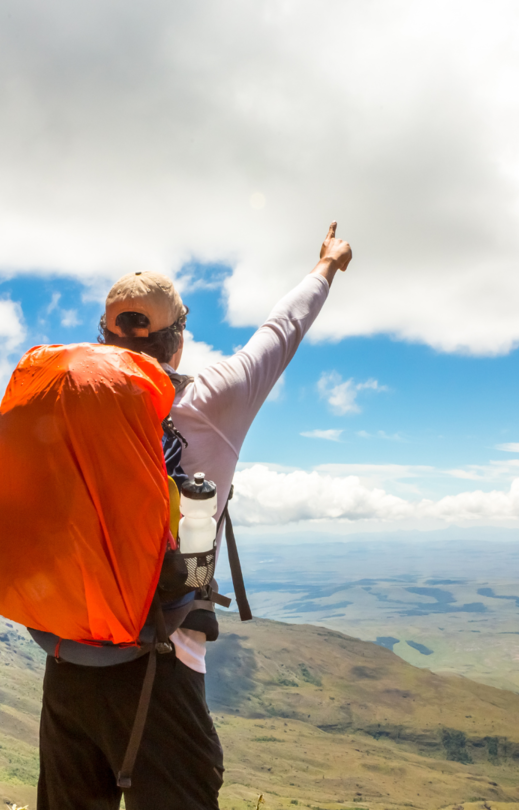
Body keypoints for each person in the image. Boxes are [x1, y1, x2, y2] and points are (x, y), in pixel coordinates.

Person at [36, 222, 352, 810]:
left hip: (68, 663)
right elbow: (281, 330)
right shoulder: (210, 401)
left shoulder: (64, 399)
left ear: (103, 337)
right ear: (176, 341)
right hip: (160, 664)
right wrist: (328, 264)